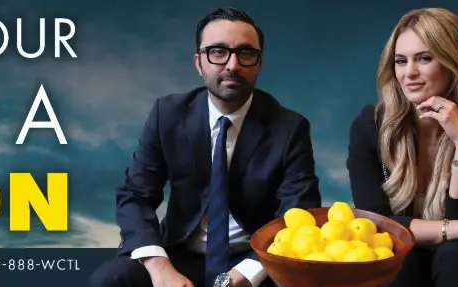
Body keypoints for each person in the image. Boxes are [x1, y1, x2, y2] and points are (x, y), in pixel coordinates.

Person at [88, 7, 323, 287]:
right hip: (179, 253)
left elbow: (298, 211)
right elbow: (136, 195)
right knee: (111, 279)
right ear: (199, 63)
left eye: (245, 53)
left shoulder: (290, 127)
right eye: (218, 52)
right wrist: (159, 266)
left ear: (259, 63)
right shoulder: (168, 114)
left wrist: (246, 274)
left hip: (254, 257)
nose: (232, 65)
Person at [346, 8, 458, 287]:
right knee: (396, 254)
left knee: (457, 254)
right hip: (397, 251)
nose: (409, 73)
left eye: (424, 58)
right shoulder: (370, 126)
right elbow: (376, 221)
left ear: (452, 63)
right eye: (401, 61)